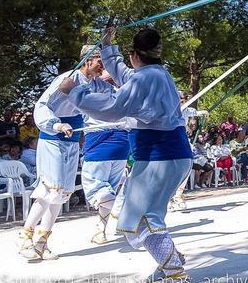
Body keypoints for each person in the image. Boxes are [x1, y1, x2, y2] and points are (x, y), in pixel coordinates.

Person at [63, 27, 193, 281]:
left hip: (160, 156)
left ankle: (175, 273)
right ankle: (170, 263)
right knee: (142, 217)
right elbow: (124, 75)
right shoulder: (157, 74)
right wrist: (108, 46)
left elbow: (113, 107)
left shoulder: (144, 79)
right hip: (170, 155)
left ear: (134, 55)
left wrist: (75, 92)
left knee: (142, 220)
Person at [18, 44, 107, 261]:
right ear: (88, 60)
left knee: (62, 193)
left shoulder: (94, 84)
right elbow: (43, 105)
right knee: (50, 188)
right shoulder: (68, 78)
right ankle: (25, 238)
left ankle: (42, 241)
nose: (102, 67)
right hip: (53, 138)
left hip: (72, 140)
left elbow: (107, 103)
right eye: (99, 62)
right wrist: (55, 125)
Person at [80, 68, 130, 245]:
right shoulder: (122, 93)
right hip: (122, 144)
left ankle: (125, 211)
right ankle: (100, 230)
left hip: (100, 143)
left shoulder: (90, 88)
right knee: (107, 191)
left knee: (96, 189)